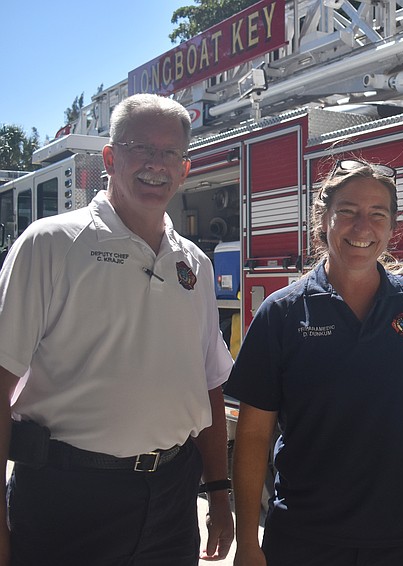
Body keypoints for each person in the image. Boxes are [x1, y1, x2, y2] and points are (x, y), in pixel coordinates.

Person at [0, 93, 235, 565]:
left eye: (170, 153)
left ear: (186, 169)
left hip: (171, 498)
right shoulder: (50, 245)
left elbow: (208, 383)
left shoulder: (195, 264)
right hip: (66, 498)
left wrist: (220, 495)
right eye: (141, 148)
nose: (156, 165)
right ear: (109, 157)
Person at [226, 159, 403, 566]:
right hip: (306, 537)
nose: (362, 227)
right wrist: (247, 541)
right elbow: (253, 436)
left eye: (377, 215)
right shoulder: (282, 313)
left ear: (392, 224)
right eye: (347, 212)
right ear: (324, 217)